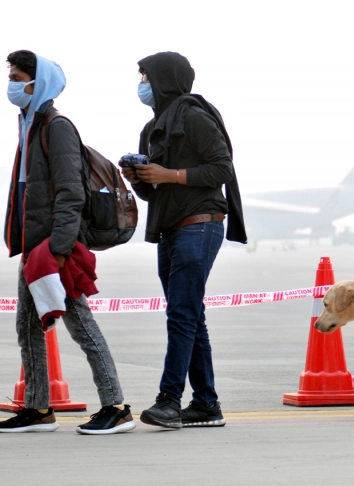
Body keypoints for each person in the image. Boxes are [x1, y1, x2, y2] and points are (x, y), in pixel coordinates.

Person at [0, 50, 133, 434]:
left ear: (37, 83)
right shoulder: (29, 124)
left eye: (18, 77)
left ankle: (116, 406)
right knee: (27, 329)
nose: (11, 84)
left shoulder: (56, 126)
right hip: (35, 246)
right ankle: (38, 409)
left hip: (55, 248)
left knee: (81, 327)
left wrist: (58, 249)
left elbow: (70, 193)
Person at [122, 52, 247, 429]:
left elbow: (222, 168)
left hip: (200, 224)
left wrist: (169, 173)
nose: (141, 84)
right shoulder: (153, 127)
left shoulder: (193, 115)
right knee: (191, 314)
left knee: (181, 313)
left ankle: (169, 400)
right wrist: (140, 179)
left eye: (144, 77)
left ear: (163, 79)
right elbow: (155, 192)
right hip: (171, 227)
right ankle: (206, 403)